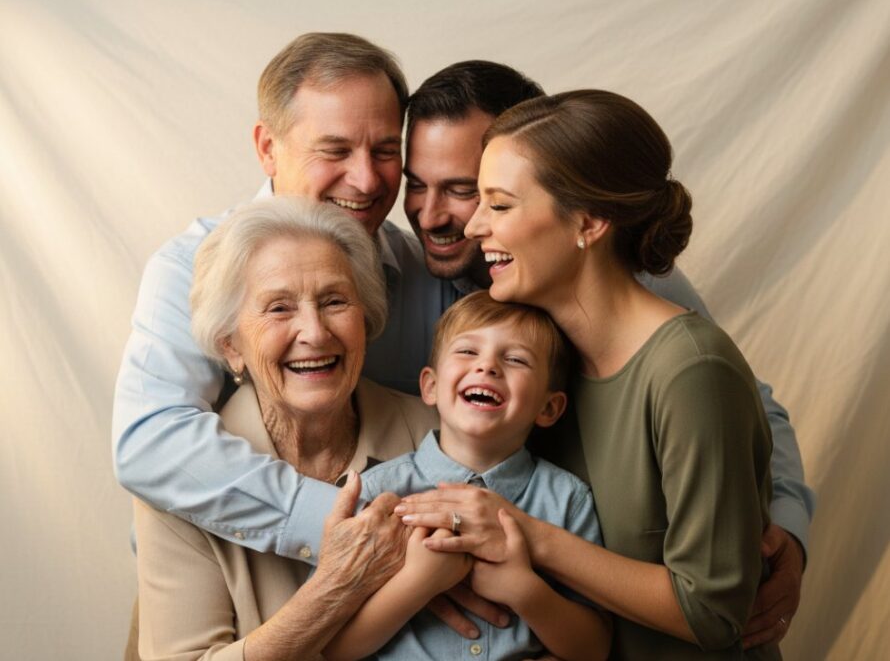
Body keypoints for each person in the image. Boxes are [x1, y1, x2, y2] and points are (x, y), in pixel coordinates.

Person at [401, 60, 814, 647]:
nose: (470, 228)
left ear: (589, 222)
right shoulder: (538, 358)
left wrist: (524, 534)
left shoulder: (689, 368)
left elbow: (714, 613)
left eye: (496, 204)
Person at [135, 195, 439, 660]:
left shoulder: (436, 433)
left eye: (335, 300)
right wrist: (336, 588)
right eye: (279, 308)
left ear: (366, 318)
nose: (315, 333)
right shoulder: (178, 487)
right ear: (230, 346)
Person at [324, 291, 611, 661]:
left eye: (515, 359)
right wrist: (418, 583)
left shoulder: (569, 501)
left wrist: (524, 591)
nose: (487, 367)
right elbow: (334, 648)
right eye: (467, 351)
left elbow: (595, 649)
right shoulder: (378, 493)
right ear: (430, 386)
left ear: (549, 407)